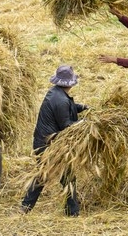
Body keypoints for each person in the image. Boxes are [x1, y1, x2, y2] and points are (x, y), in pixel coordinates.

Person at [21, 65, 86, 217]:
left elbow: (68, 108)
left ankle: (71, 210)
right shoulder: (61, 100)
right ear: (70, 83)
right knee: (53, 175)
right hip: (48, 145)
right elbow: (66, 125)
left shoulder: (55, 93)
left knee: (54, 175)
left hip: (45, 142)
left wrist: (82, 107)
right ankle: (72, 211)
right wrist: (85, 122)